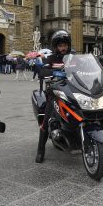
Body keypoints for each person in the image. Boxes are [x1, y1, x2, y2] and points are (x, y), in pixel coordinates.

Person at [35, 29, 71, 163]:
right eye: (60, 46)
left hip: (71, 91)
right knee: (47, 118)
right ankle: (40, 150)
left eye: (65, 45)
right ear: (56, 47)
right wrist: (55, 71)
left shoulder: (73, 57)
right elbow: (43, 70)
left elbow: (82, 67)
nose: (63, 48)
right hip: (54, 92)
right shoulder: (51, 59)